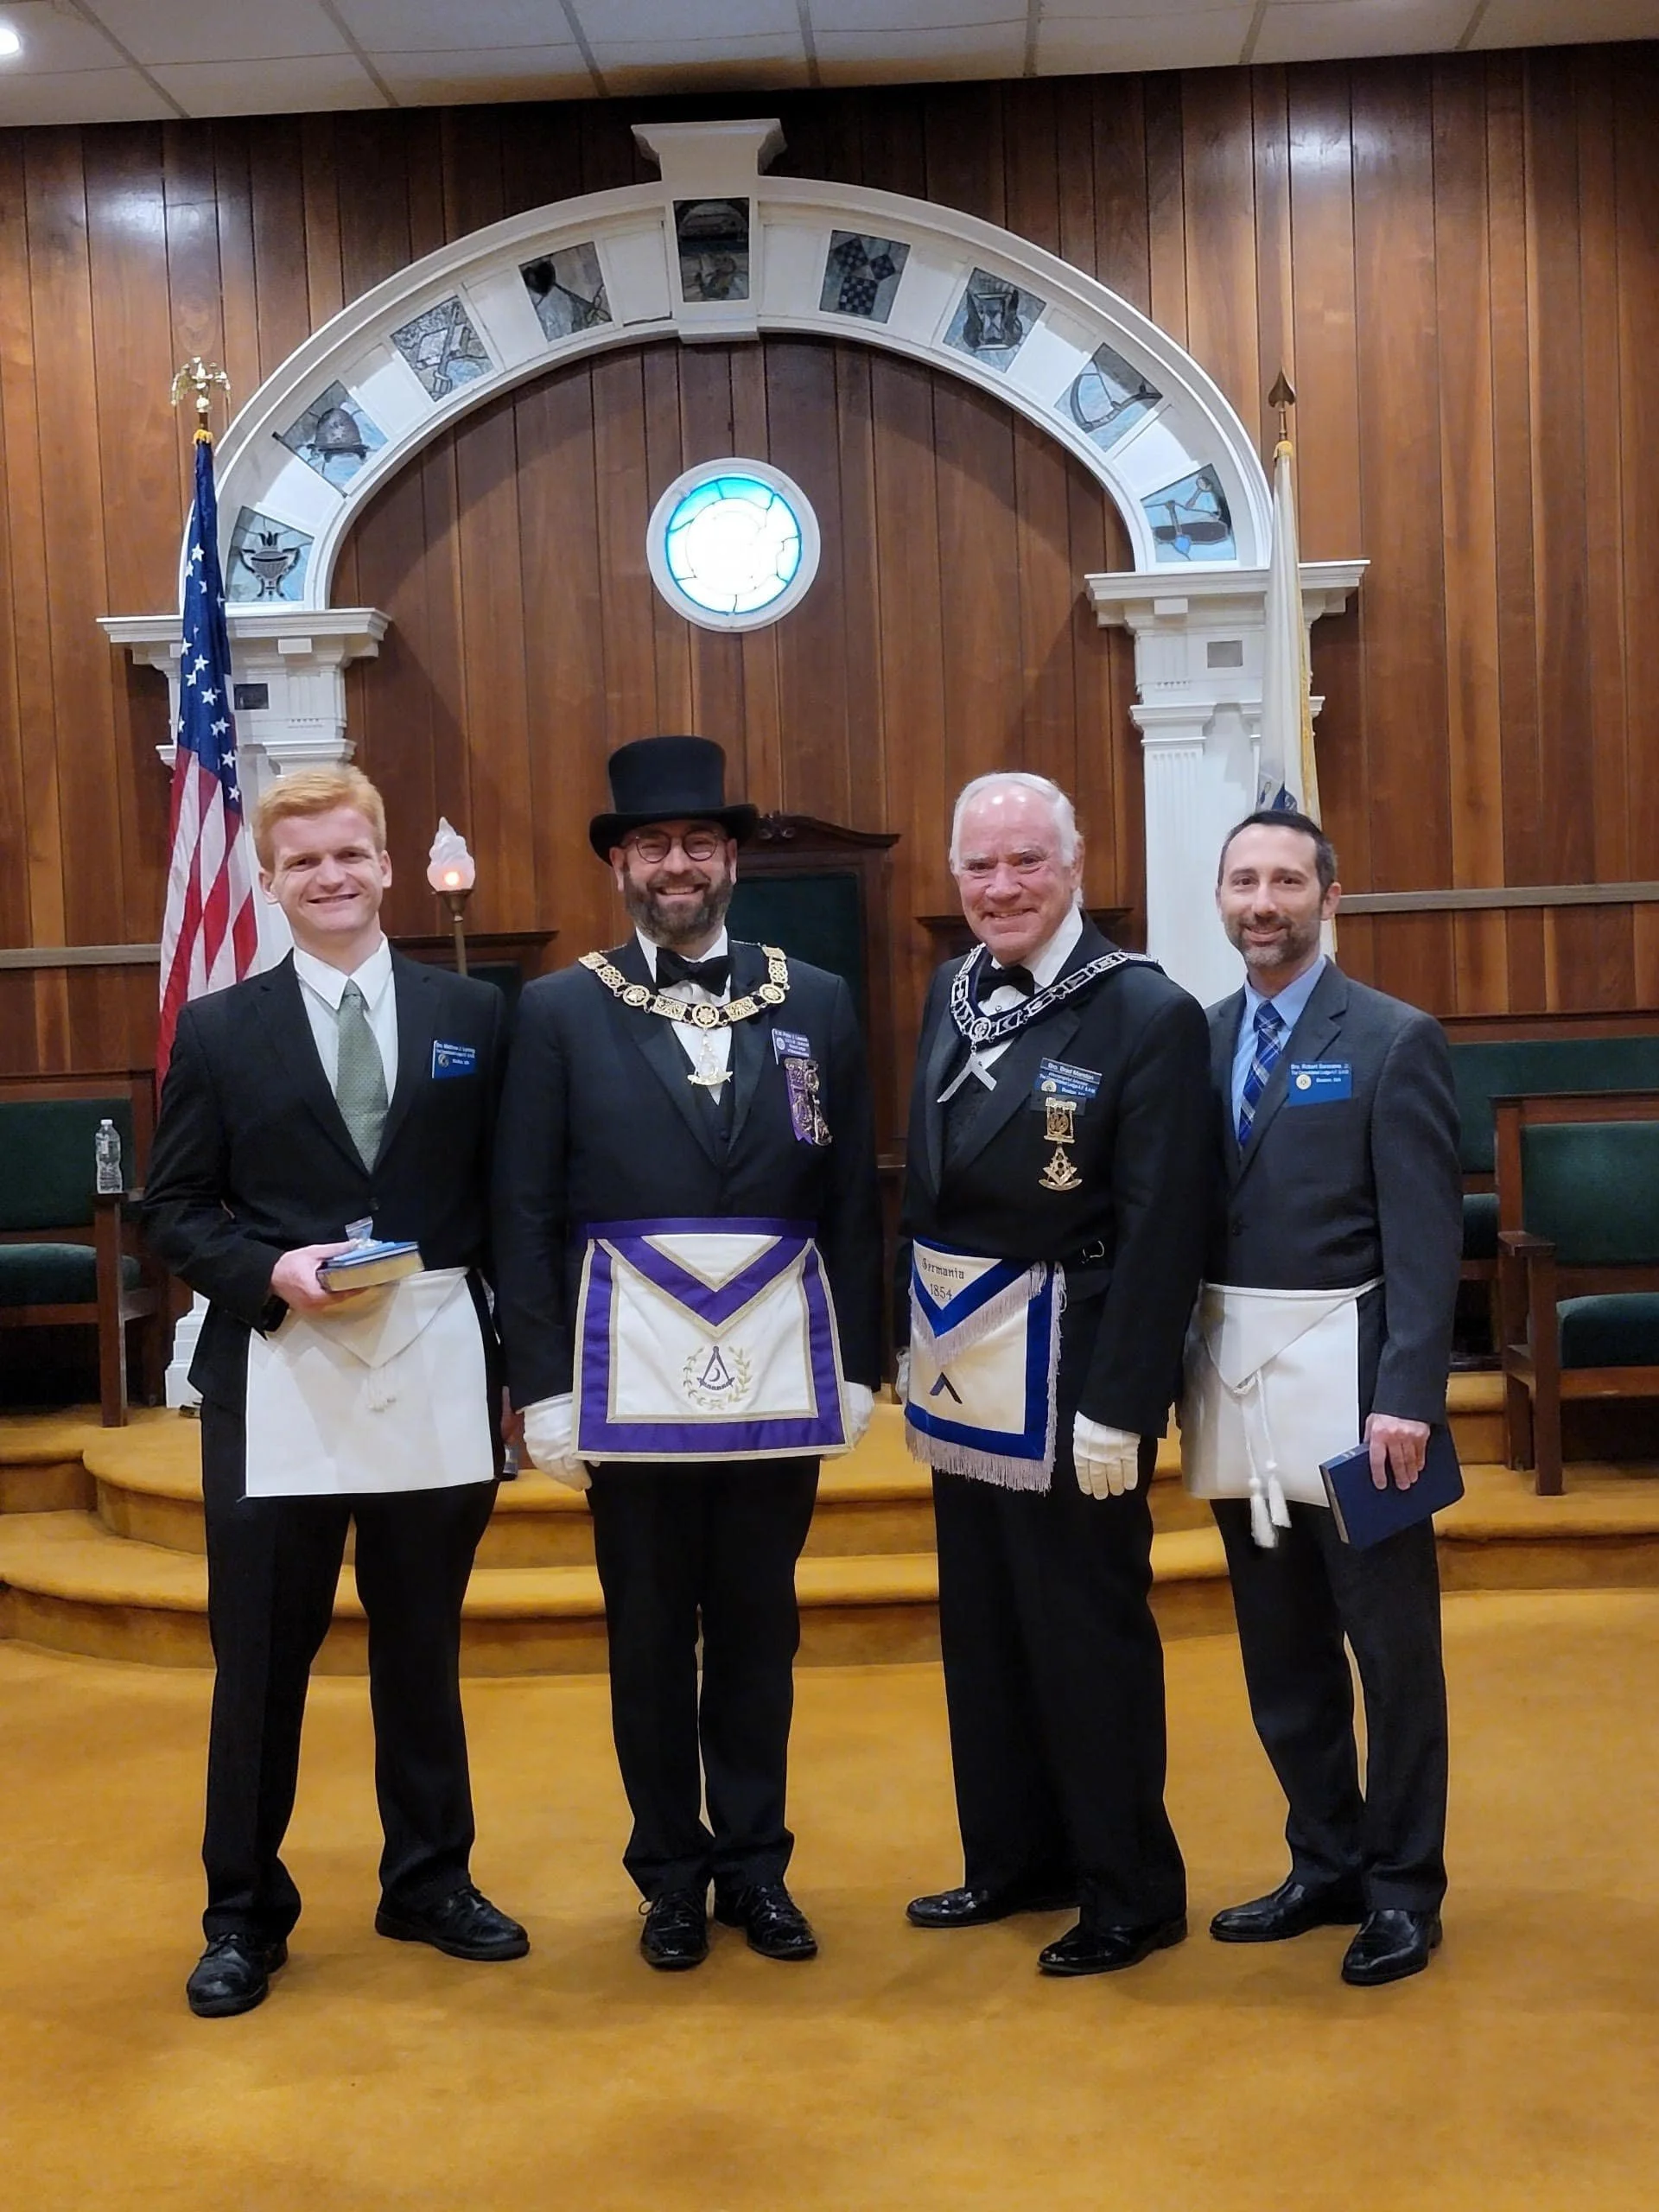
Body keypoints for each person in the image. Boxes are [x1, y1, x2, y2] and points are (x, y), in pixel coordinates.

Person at [493, 735, 883, 1972]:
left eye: (700, 843)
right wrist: (543, 1388)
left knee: (761, 1631)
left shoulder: (814, 999)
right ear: (619, 864)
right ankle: (669, 1874)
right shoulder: (559, 1010)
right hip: (624, 1383)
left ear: (732, 860)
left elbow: (852, 1197)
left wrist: (859, 1358)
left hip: (778, 1372)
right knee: (651, 1639)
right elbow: (524, 1210)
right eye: (654, 845)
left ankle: (757, 1867)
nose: (678, 864)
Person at [142, 766, 526, 2019]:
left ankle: (430, 1881)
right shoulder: (219, 1031)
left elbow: (512, 1205)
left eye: (349, 853)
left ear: (387, 864)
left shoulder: (476, 1014)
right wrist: (269, 1269)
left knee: (421, 1646)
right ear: (269, 881)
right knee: (261, 1658)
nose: (331, 876)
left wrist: (524, 1371)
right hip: (278, 1373)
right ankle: (242, 1915)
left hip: (436, 1367)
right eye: (303, 861)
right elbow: (172, 1211)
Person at [898, 771, 1209, 1977]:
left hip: (1077, 1358)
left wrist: (1123, 1403)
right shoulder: (952, 990)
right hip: (966, 1358)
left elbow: (1166, 1225)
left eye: (1027, 860)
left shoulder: (1145, 1011)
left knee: (1086, 1633)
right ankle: (1014, 1858)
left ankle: (1130, 1889)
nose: (1003, 885)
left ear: (1076, 867)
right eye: (980, 865)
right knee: (984, 1626)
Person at [1183, 808, 1461, 1986]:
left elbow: (1426, 1238)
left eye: (1287, 881)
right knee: (1281, 1647)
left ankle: (1403, 1888)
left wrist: (1410, 1397)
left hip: (1364, 1406)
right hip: (1236, 1391)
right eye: (1244, 881)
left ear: (1328, 897)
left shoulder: (1395, 1040)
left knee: (1391, 1655)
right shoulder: (1195, 1042)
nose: (1264, 902)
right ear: (1221, 897)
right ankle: (1325, 1860)